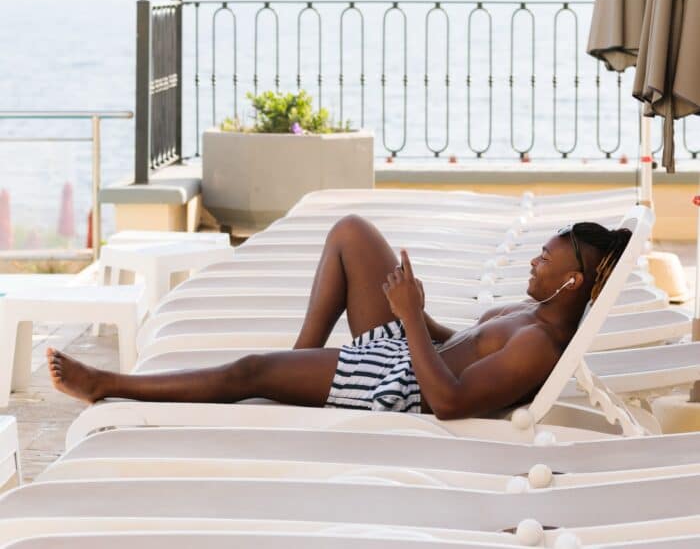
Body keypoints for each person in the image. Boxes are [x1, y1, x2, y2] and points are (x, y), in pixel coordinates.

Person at [47, 215, 631, 420]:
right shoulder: (535, 314)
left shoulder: (538, 347)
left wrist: (410, 318)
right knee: (353, 231)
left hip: (395, 385)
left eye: (545, 258)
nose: (535, 259)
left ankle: (109, 385)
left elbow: (449, 404)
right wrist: (417, 316)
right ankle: (303, 359)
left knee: (250, 372)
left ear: (573, 282)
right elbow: (467, 347)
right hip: (409, 353)